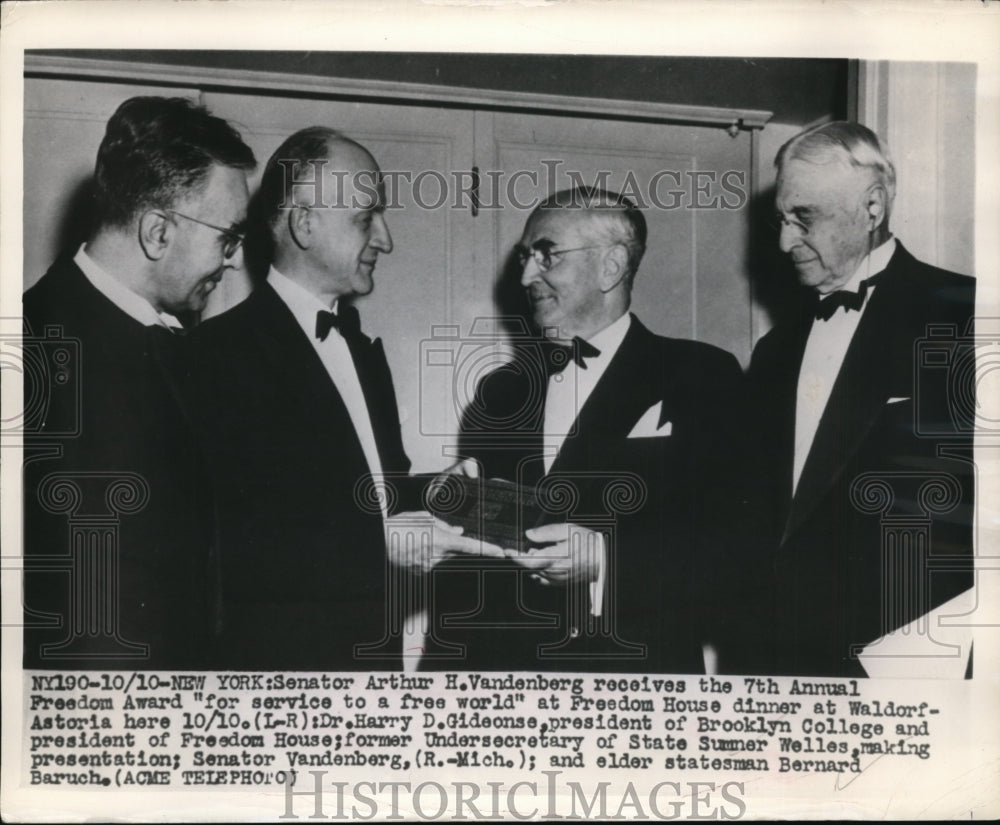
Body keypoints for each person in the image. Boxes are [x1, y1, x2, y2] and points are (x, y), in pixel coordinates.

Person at [186, 127, 495, 670]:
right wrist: (381, 541)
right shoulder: (214, 356)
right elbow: (228, 549)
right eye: (364, 218)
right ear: (304, 224)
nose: (386, 238)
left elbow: (361, 495)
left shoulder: (361, 350)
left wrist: (434, 493)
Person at [423, 187, 747, 673]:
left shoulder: (702, 374)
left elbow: (735, 548)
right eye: (525, 258)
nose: (527, 275)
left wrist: (604, 561)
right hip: (503, 692)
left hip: (635, 689)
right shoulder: (499, 391)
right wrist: (456, 502)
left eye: (546, 255)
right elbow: (473, 571)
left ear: (610, 266)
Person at [22, 96, 255, 669]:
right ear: (157, 232)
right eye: (227, 237)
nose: (233, 260)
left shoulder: (163, 337)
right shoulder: (34, 348)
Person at [747, 121, 976, 677]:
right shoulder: (775, 349)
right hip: (782, 657)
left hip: (913, 663)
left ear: (873, 206)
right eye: (781, 219)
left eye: (805, 217)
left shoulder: (968, 315)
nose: (784, 241)